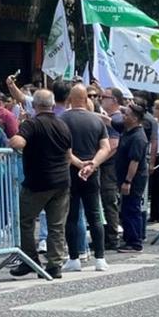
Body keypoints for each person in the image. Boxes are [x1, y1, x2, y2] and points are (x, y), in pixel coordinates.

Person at [8, 89, 79, 278]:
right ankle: (55, 265)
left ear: (35, 105)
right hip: (62, 181)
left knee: (24, 220)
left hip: (37, 182)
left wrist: (12, 137)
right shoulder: (63, 125)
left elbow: (18, 143)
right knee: (57, 225)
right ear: (53, 105)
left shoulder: (32, 124)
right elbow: (67, 155)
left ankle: (29, 260)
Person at [59, 85, 111, 271]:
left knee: (71, 217)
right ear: (86, 99)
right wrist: (92, 165)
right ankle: (100, 257)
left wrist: (79, 163)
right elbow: (105, 148)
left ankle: (74, 258)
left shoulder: (62, 119)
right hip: (92, 173)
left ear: (70, 99)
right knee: (95, 215)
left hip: (70, 172)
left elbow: (63, 150)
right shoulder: (96, 121)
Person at [114, 103, 150, 252]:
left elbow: (134, 162)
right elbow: (107, 120)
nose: (124, 116)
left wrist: (128, 181)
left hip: (134, 179)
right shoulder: (127, 129)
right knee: (127, 208)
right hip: (124, 177)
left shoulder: (138, 137)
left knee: (132, 209)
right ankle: (130, 238)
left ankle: (135, 242)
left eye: (127, 114)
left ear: (135, 119)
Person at [97, 88, 124, 249]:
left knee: (109, 200)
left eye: (104, 97)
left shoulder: (116, 118)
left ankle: (112, 237)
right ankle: (108, 236)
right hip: (108, 165)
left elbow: (113, 146)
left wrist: (97, 161)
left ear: (114, 100)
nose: (101, 99)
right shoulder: (110, 118)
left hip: (109, 166)